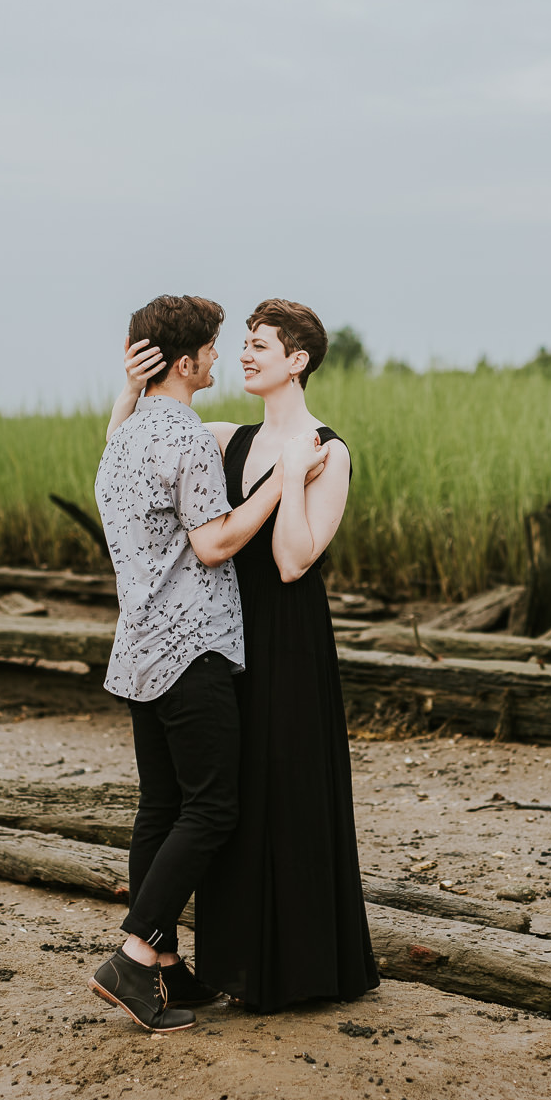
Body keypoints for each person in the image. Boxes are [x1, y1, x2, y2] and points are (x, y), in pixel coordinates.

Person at [87, 294, 323, 1034]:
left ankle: (162, 969)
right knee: (213, 807)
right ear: (185, 362)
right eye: (216, 348)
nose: (223, 358)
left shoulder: (122, 437)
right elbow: (215, 543)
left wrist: (127, 388)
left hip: (139, 651)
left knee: (161, 808)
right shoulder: (185, 436)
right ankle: (132, 955)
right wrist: (282, 484)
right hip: (192, 650)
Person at [193, 298, 379, 1012]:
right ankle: (238, 966)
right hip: (226, 633)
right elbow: (127, 446)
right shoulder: (224, 437)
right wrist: (129, 386)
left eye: (259, 344)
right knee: (234, 793)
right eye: (243, 343)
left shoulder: (331, 449)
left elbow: (293, 559)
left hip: (291, 638)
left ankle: (306, 970)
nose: (244, 354)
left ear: (297, 361)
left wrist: (298, 470)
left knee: (292, 790)